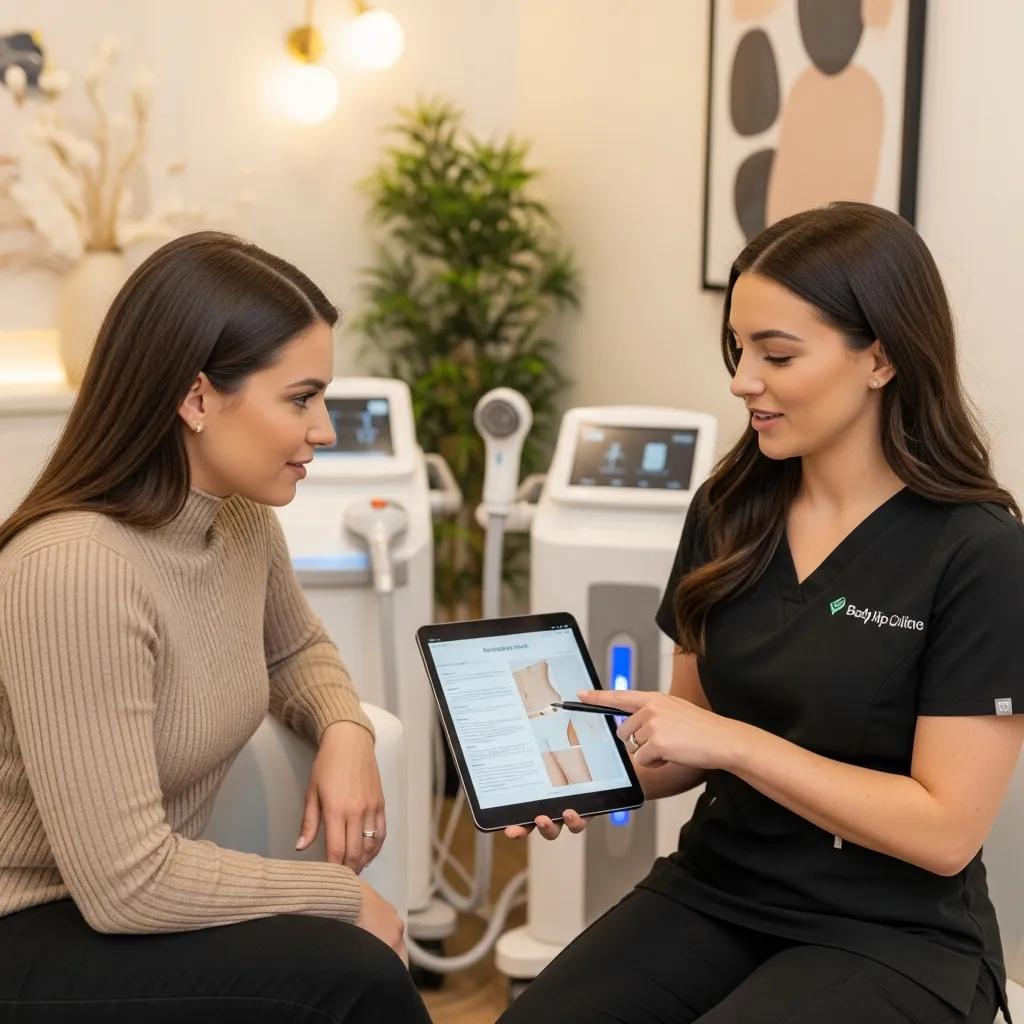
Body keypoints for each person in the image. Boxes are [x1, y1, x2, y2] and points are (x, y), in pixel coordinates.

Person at [499, 203, 1024, 1024]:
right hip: (719, 888)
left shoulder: (977, 551)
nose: (744, 379)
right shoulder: (730, 509)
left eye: (777, 354)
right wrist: (587, 776)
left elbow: (945, 830)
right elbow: (688, 740)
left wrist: (736, 744)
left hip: (895, 934)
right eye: (739, 349)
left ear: (880, 357)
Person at [0, 232, 431, 1022]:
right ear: (197, 399)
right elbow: (126, 884)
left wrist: (345, 728)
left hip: (110, 914)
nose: (325, 430)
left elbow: (296, 649)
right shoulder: (74, 570)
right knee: (354, 975)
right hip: (27, 929)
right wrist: (341, 895)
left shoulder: (236, 520)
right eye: (301, 399)